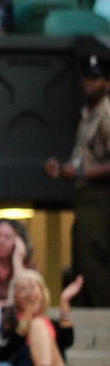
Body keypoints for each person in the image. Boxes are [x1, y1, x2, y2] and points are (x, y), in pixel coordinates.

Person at [45, 53, 110, 306]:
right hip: (85, 195)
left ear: (107, 82)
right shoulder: (88, 113)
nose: (89, 84)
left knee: (95, 259)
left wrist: (83, 174)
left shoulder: (106, 114)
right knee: (82, 257)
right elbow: (85, 157)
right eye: (87, 79)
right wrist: (62, 170)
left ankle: (103, 318)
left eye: (96, 79)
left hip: (101, 196)